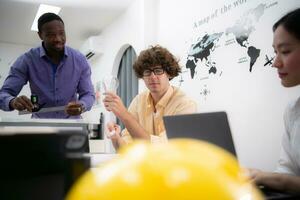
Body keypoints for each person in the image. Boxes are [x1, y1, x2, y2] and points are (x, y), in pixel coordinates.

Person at [0, 13, 95, 118]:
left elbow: (88, 94)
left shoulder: (79, 60)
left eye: (61, 33)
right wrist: (12, 101)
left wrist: (82, 105)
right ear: (40, 35)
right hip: (40, 126)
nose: (58, 39)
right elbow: (3, 94)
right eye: (51, 35)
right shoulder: (27, 60)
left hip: (72, 124)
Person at [103, 45, 197, 150]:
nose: (152, 77)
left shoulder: (185, 105)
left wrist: (124, 115)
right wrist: (115, 138)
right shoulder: (138, 102)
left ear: (169, 73)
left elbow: (162, 150)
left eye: (158, 70)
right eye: (147, 72)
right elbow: (127, 151)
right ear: (142, 76)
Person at [249, 8, 300, 194]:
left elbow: (283, 178)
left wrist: (265, 177)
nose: (275, 62)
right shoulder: (293, 110)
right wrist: (259, 178)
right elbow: (288, 171)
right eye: (275, 52)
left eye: (285, 51)